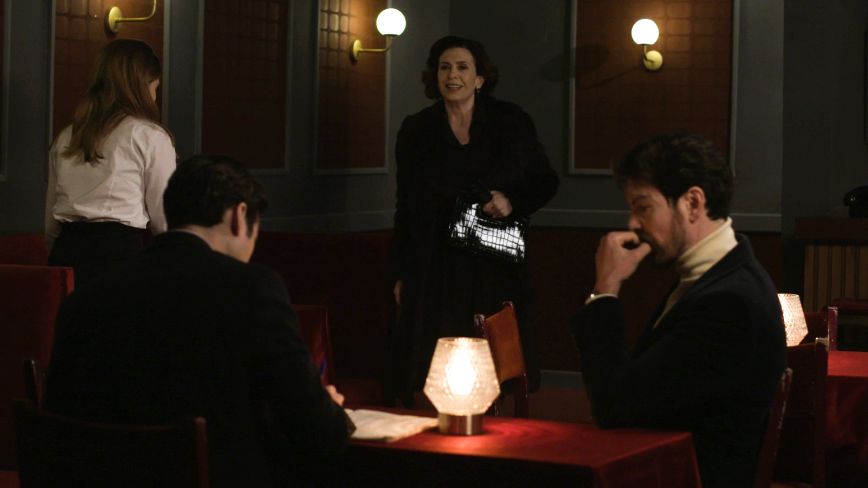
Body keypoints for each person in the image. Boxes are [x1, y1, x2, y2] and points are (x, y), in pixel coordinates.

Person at [44, 155, 353, 487]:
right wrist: (329, 409)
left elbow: (58, 430)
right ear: (239, 215)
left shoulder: (84, 300)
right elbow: (317, 428)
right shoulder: (252, 289)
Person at [571, 133, 787, 488]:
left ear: (692, 203)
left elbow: (615, 408)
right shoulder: (724, 271)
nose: (632, 223)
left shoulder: (727, 303)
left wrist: (606, 288)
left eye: (643, 207)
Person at [390, 35, 559, 404]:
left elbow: (546, 181)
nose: (452, 75)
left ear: (480, 78)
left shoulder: (510, 122)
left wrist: (511, 201)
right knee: (431, 361)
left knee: (496, 356)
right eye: (445, 67)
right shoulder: (416, 129)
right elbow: (405, 206)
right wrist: (400, 272)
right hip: (433, 261)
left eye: (462, 67)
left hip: (491, 258)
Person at [45, 39, 176, 287]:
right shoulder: (149, 136)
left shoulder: (66, 136)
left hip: (66, 252)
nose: (154, 96)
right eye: (155, 87)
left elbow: (51, 226)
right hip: (117, 255)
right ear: (142, 86)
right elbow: (164, 219)